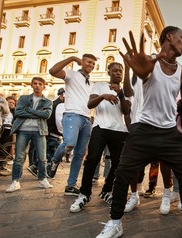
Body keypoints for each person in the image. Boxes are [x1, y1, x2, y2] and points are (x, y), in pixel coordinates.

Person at [92, 27, 182, 238]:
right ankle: (115, 224)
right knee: (122, 174)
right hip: (142, 130)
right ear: (168, 38)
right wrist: (138, 69)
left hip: (169, 133)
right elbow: (142, 75)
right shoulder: (149, 63)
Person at [69, 62, 130, 212]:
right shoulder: (99, 86)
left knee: (118, 163)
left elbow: (126, 110)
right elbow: (90, 104)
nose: (118, 73)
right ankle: (84, 194)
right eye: (115, 70)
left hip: (119, 130)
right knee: (92, 160)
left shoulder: (126, 90)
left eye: (120, 71)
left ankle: (106, 191)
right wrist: (103, 96)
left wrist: (120, 94)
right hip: (100, 128)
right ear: (108, 72)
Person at [47, 54, 96, 196]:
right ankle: (54, 161)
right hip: (72, 115)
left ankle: (70, 185)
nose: (91, 65)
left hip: (87, 119)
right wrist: (72, 58)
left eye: (93, 63)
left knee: (80, 154)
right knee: (69, 143)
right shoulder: (71, 74)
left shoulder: (91, 83)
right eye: (88, 62)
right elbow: (52, 71)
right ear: (82, 62)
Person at [6, 77, 53, 192]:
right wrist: (38, 113)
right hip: (23, 130)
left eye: (40, 84)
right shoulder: (23, 98)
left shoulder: (48, 101)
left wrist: (28, 110)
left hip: (39, 130)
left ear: (44, 86)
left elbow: (46, 115)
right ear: (32, 85)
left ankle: (42, 179)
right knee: (19, 157)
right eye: (35, 83)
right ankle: (15, 181)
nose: (37, 85)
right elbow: (18, 112)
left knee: (42, 157)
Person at [27, 88, 65, 177]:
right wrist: (62, 132)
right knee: (50, 153)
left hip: (48, 131)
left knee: (47, 152)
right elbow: (59, 121)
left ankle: (40, 169)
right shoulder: (59, 105)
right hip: (53, 132)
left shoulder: (53, 103)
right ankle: (36, 167)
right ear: (62, 95)